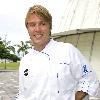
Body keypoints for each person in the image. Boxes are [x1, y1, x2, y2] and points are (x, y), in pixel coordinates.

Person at [16, 4, 100, 100]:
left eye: (42, 24)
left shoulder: (67, 51)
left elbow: (89, 79)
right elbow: (22, 94)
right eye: (32, 25)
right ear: (28, 29)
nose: (37, 29)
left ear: (50, 27)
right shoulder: (25, 60)